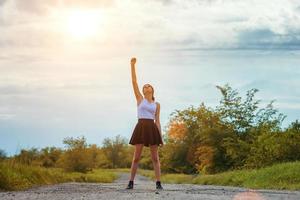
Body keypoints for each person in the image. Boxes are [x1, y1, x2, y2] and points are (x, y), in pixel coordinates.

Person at [126, 57, 164, 190]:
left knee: (155, 158)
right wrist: (132, 65)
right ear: (143, 91)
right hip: (141, 127)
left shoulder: (157, 105)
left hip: (152, 128)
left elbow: (157, 121)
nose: (146, 87)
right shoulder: (140, 99)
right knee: (136, 157)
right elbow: (134, 81)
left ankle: (158, 183)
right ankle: (131, 182)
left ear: (152, 89)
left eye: (148, 85)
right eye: (144, 86)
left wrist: (161, 137)